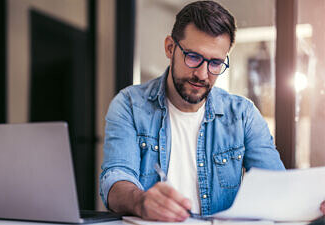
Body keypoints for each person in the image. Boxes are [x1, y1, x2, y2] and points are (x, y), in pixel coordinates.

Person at [99, 0, 325, 222]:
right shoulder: (129, 104)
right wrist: (140, 202)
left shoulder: (243, 114)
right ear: (170, 47)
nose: (203, 74)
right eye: (194, 57)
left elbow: (277, 187)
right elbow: (116, 179)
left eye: (215, 63)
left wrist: (313, 203)